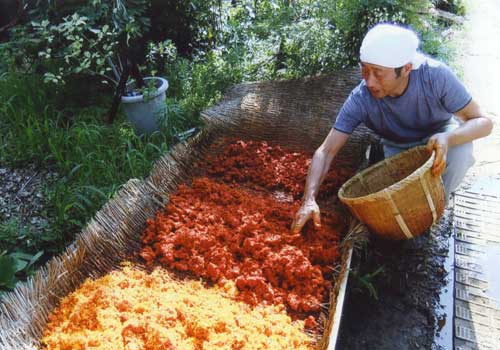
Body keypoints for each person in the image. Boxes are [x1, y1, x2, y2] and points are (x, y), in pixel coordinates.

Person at [291, 23, 493, 234]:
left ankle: (439, 204)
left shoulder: (434, 77)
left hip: (439, 136)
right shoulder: (361, 99)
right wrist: (309, 199)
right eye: (365, 70)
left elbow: (483, 122)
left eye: (378, 73)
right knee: (397, 206)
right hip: (397, 150)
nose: (369, 81)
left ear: (406, 68)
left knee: (460, 154)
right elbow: (326, 151)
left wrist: (448, 138)